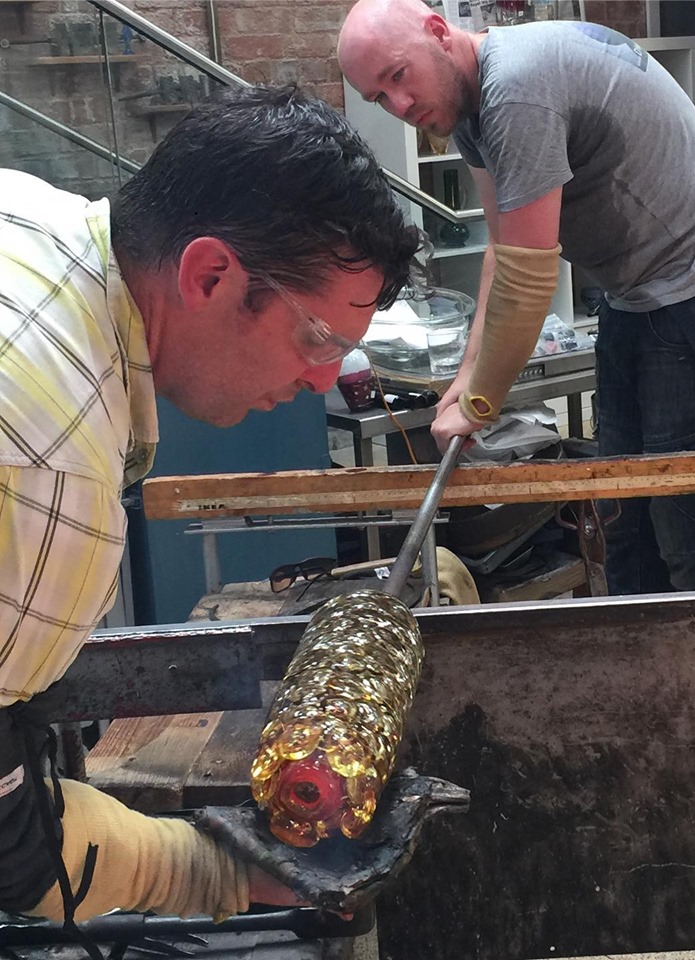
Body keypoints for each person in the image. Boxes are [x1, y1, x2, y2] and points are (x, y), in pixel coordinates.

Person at [0, 85, 420, 934]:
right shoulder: (51, 470)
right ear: (210, 274)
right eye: (317, 341)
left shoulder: (29, 213)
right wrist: (229, 877)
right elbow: (10, 852)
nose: (320, 380)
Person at [338, 1, 695, 597]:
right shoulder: (471, 110)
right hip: (639, 294)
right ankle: (644, 681)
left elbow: (528, 277)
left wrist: (481, 403)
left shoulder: (516, 88)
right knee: (624, 516)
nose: (399, 105)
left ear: (440, 34)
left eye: (397, 76)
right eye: (377, 98)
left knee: (692, 525)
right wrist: (463, 385)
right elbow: (503, 247)